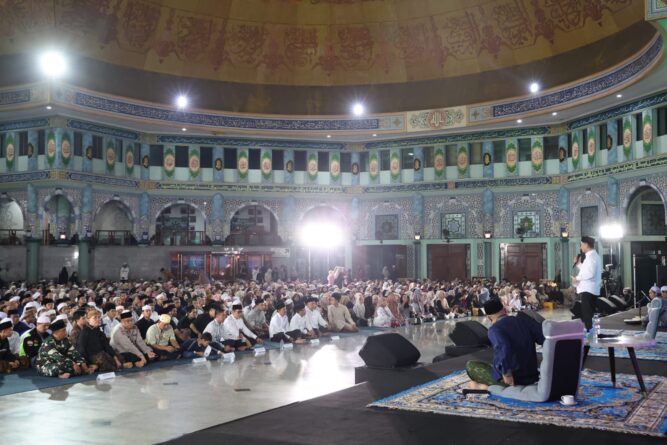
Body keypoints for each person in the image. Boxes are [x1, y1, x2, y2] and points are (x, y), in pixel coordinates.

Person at [466, 299, 545, 390]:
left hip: (514, 380)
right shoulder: (523, 321)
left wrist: (507, 374)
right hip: (532, 375)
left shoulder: (494, 330)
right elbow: (544, 337)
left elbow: (504, 349)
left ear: (489, 318)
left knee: (471, 366)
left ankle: (485, 387)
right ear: (504, 310)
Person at [571, 236, 602, 331]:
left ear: (586, 244)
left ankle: (591, 334)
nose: (580, 247)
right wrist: (578, 264)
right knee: (588, 314)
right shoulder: (592, 256)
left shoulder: (591, 257)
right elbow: (586, 270)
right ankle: (591, 332)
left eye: (581, 245)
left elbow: (590, 273)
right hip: (590, 289)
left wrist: (577, 278)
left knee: (588, 315)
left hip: (588, 290)